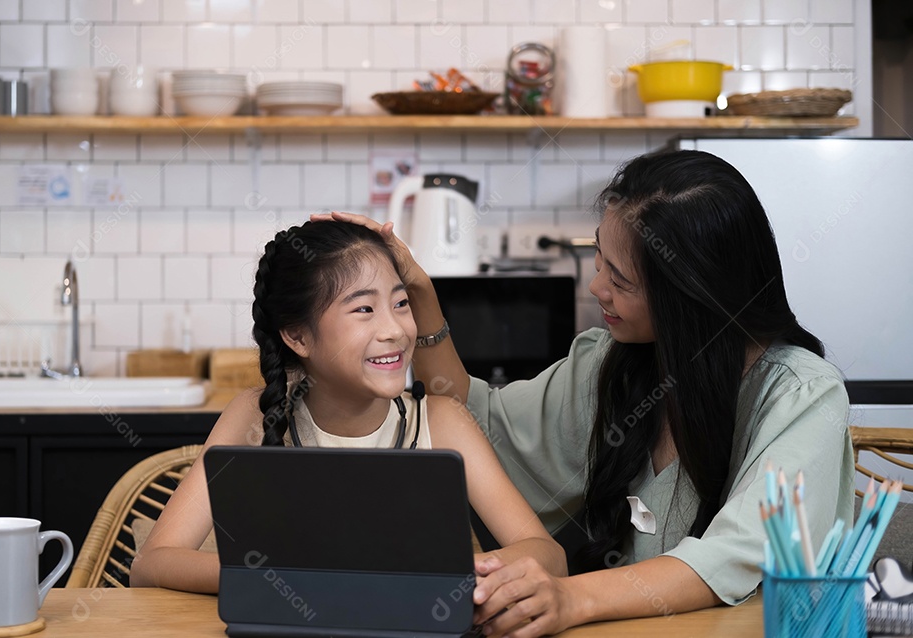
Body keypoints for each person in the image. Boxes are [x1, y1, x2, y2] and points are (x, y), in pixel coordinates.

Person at [316, 149, 855, 636]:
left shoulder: (802, 395)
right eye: (599, 261)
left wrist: (570, 598)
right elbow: (478, 428)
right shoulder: (611, 364)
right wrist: (419, 293)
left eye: (620, 280)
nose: (597, 288)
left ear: (689, 297)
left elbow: (738, 554)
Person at [130, 221, 565, 593]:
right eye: (364, 309)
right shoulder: (254, 415)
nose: (395, 330)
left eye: (401, 303)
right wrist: (289, 577)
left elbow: (549, 556)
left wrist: (456, 572)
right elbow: (151, 564)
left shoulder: (442, 420)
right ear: (298, 336)